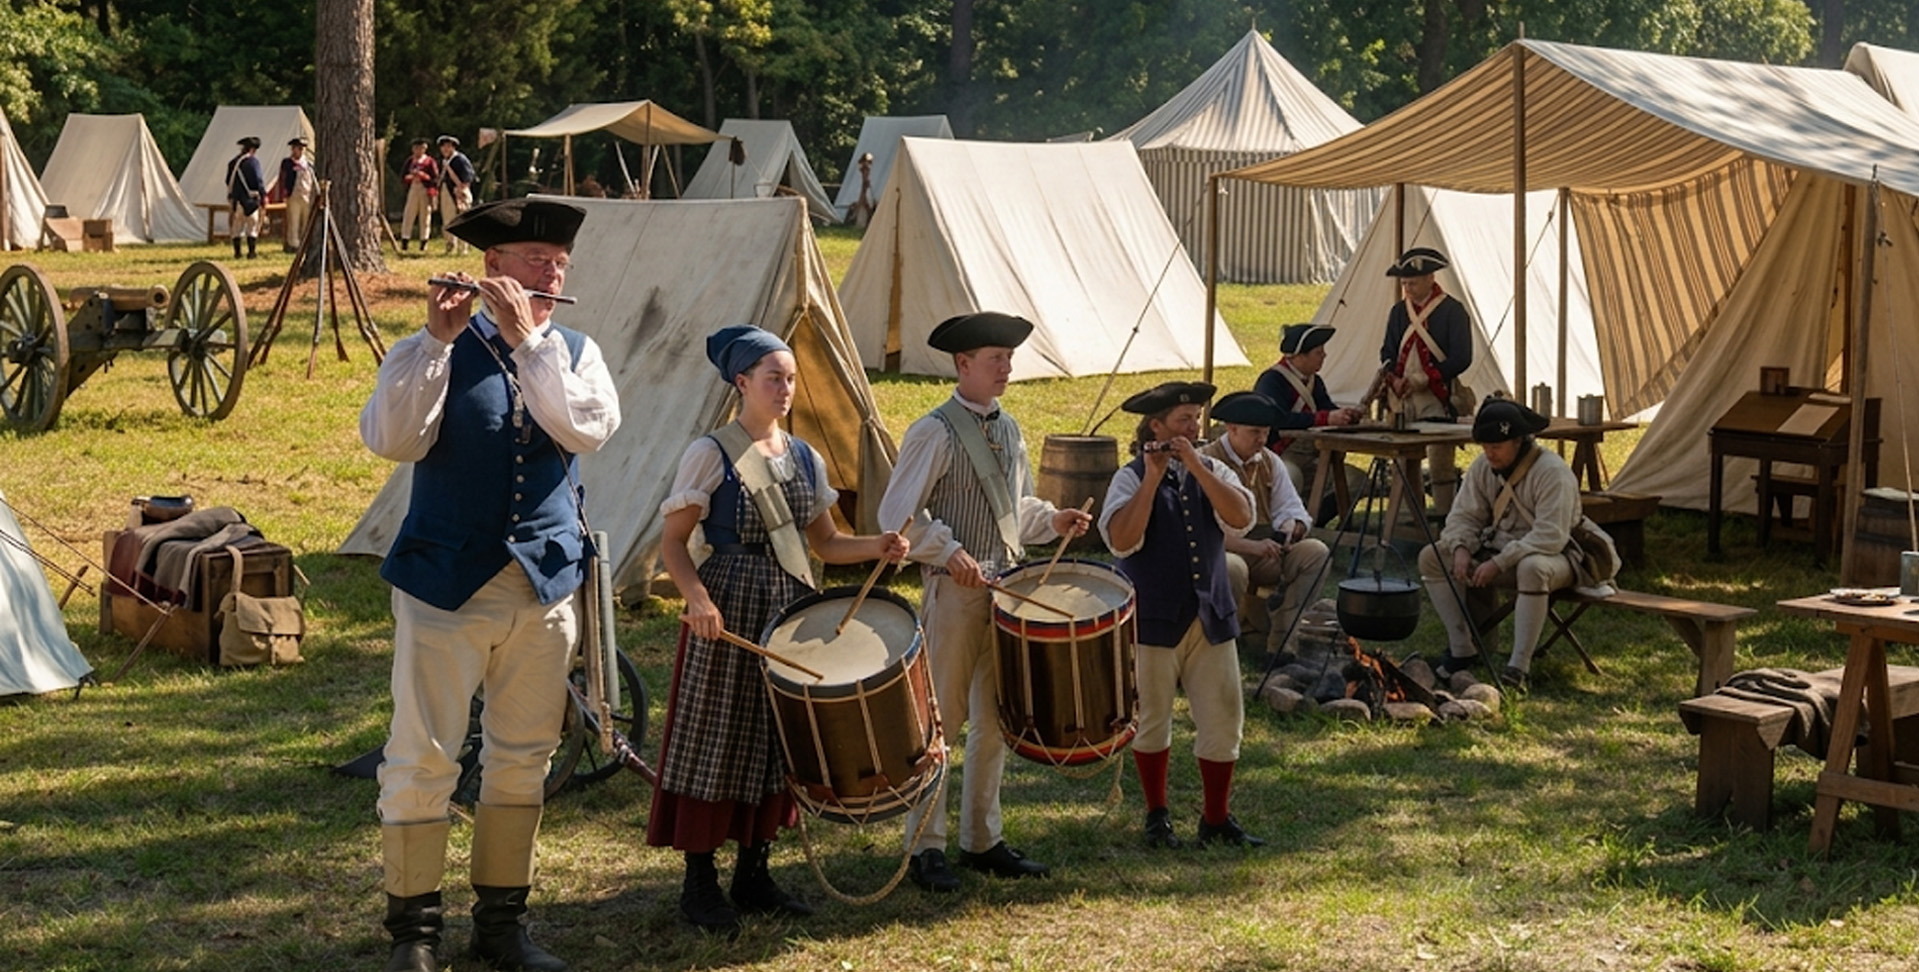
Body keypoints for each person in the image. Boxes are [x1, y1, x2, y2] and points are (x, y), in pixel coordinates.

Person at [361, 198, 619, 972]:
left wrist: (532, 340)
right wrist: (438, 343)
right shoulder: (427, 350)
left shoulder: (572, 351)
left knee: (523, 755)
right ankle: (415, 933)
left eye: (559, 263)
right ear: (493, 268)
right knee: (423, 755)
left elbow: (583, 429)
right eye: (537, 260)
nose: (552, 274)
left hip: (540, 585)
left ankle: (502, 925)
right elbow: (392, 438)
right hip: (446, 581)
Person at [648, 324, 909, 935]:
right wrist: (697, 600)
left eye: (791, 379)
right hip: (731, 611)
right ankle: (700, 883)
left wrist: (880, 545)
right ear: (742, 383)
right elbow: (672, 543)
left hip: (791, 611)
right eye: (774, 378)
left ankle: (754, 873)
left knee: (776, 741)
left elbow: (827, 543)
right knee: (718, 741)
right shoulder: (710, 453)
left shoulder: (804, 456)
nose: (786, 388)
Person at [877, 311, 1091, 894]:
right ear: (962, 364)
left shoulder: (1011, 428)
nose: (1007, 367)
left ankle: (981, 838)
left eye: (1008, 357)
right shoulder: (934, 431)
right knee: (940, 717)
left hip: (1005, 591)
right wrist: (947, 552)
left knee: (997, 717)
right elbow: (895, 515)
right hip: (954, 595)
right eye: (995, 358)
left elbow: (1014, 510)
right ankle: (925, 846)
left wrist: (1053, 519)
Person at [1100, 381, 1263, 850]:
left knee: (1223, 719)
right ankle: (1157, 815)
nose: (1194, 427)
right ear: (1156, 427)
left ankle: (1216, 818)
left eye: (1196, 419)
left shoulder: (1212, 468)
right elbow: (1122, 539)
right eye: (1183, 420)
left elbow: (1239, 518)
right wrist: (1153, 479)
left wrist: (1195, 464)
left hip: (1210, 614)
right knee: (1151, 719)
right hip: (1153, 617)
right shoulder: (1128, 477)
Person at [1419, 398, 1599, 692]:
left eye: (1497, 447)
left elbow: (1550, 536)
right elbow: (1463, 515)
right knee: (1431, 557)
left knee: (1532, 567)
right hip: (1501, 552)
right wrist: (1461, 547)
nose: (1489, 453)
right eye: (1485, 447)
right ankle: (1462, 648)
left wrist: (1499, 563)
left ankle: (1519, 667)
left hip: (1557, 556)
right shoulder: (1483, 467)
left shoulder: (1552, 472)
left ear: (1518, 441)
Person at [1199, 391, 1330, 658]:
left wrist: (1292, 527)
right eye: (1255, 432)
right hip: (1218, 551)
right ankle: (1223, 649)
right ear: (1232, 429)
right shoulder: (1204, 463)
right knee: (1231, 566)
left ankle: (1282, 642)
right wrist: (1252, 546)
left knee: (1317, 553)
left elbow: (1293, 508)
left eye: (1266, 433)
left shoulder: (1270, 461)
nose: (1262, 440)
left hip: (1265, 550)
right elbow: (1201, 532)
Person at [1379, 247, 1474, 513]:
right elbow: (1387, 351)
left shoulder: (1452, 311)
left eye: (1413, 282)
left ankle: (1446, 517)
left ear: (1431, 278)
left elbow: (1462, 357)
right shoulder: (1399, 312)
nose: (1407, 288)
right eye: (1405, 283)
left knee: (1440, 462)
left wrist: (1425, 378)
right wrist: (1394, 378)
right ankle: (1409, 517)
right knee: (1403, 458)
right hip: (1402, 399)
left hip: (1437, 396)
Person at [1253, 323, 1368, 524]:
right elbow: (1277, 420)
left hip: (1313, 455)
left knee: (1357, 481)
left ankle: (1313, 522)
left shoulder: (1315, 382)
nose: (1324, 356)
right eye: (1318, 352)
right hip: (1281, 455)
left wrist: (1347, 416)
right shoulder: (1271, 381)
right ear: (1299, 355)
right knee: (1290, 476)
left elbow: (1327, 409)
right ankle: (1283, 529)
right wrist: (1325, 418)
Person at [225, 136, 265, 260]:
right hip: (251, 199)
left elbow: (228, 181)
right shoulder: (253, 162)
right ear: (252, 149)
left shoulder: (233, 163)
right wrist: (263, 195)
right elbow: (258, 181)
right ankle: (251, 252)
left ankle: (237, 253)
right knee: (252, 226)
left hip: (237, 200)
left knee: (236, 226)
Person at [436, 136, 477, 254]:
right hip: (447, 191)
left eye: (448, 146)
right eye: (443, 146)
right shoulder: (444, 161)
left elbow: (468, 175)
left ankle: (463, 248)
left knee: (463, 219)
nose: (445, 149)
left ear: (453, 147)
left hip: (459, 190)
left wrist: (461, 188)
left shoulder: (460, 159)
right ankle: (450, 245)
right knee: (448, 219)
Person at [400, 138, 439, 252]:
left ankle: (424, 241)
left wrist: (424, 176)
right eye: (416, 148)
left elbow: (435, 178)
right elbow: (403, 175)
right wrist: (409, 177)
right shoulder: (410, 161)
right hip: (413, 189)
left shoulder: (429, 161)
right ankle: (405, 239)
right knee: (409, 214)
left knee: (425, 216)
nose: (418, 150)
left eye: (421, 148)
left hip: (425, 190)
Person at [278, 136, 316, 253]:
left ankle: (305, 244)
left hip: (307, 195)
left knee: (306, 221)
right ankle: (293, 245)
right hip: (293, 195)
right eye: (295, 148)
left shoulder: (309, 164)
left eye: (299, 148)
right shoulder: (287, 163)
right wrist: (283, 193)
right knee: (293, 221)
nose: (297, 151)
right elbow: (283, 179)